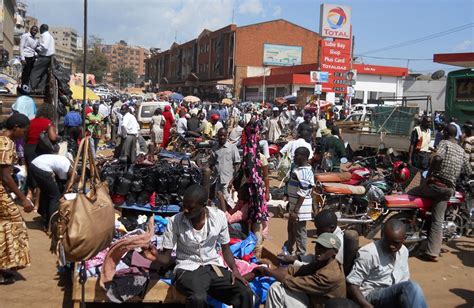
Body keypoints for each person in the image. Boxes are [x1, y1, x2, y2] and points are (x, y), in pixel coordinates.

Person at [146, 184, 253, 308]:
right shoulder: (174, 222)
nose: (185, 210)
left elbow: (225, 248)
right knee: (198, 298)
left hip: (213, 266)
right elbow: (165, 258)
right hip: (187, 269)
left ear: (204, 205)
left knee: (244, 292)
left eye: (190, 208)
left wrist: (235, 270)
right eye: (183, 206)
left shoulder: (218, 217)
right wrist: (154, 255)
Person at [408, 124, 472, 261]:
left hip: (436, 185)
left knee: (412, 192)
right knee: (438, 220)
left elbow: (437, 158)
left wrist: (430, 174)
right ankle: (432, 253)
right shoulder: (461, 150)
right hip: (449, 190)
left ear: (445, 133)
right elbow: (468, 171)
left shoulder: (444, 143)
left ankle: (412, 221)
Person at [347, 219, 427, 308]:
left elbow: (404, 281)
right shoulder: (369, 253)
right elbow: (352, 284)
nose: (391, 246)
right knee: (411, 287)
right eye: (387, 241)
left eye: (396, 243)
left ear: (404, 239)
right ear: (382, 236)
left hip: (392, 294)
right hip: (372, 296)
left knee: (411, 290)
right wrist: (367, 306)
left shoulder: (404, 251)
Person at [255, 233, 346, 308]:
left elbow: (290, 281)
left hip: (319, 304)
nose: (318, 250)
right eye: (318, 246)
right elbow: (295, 270)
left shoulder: (330, 275)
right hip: (314, 300)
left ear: (335, 252)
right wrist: (270, 270)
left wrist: (270, 272)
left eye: (324, 248)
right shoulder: (324, 262)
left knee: (276, 289)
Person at [0, 114, 33, 284]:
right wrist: (23, 198)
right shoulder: (6, 143)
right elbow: (5, 176)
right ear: (16, 128)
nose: (24, 134)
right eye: (24, 130)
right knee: (15, 224)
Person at [279, 209, 344, 266]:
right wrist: (297, 258)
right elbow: (316, 257)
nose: (317, 232)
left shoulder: (336, 244)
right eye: (317, 229)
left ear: (332, 227)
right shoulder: (329, 234)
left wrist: (294, 262)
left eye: (320, 230)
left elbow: (319, 267)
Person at [24, 104, 58, 209]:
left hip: (28, 149)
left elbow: (25, 137)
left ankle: (29, 196)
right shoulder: (48, 123)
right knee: (40, 175)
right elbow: (53, 137)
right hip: (41, 150)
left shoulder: (31, 122)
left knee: (31, 173)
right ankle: (37, 204)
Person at [29, 154, 75, 230]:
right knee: (55, 197)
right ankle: (50, 225)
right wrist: (63, 196)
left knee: (46, 193)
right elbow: (65, 184)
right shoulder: (70, 172)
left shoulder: (68, 162)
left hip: (34, 163)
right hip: (41, 167)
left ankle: (45, 219)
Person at [285, 147, 314, 256]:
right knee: (291, 229)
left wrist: (296, 210)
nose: (294, 157)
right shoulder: (298, 169)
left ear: (303, 157)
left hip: (300, 209)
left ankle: (301, 254)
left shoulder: (304, 172)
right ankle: (289, 249)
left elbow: (303, 192)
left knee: (299, 232)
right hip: (295, 207)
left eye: (296, 155)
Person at [211, 128, 240, 208]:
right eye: (220, 135)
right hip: (217, 179)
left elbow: (237, 165)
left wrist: (232, 180)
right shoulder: (215, 149)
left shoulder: (232, 148)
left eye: (224, 135)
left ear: (227, 136)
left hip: (227, 179)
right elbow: (211, 163)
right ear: (218, 136)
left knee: (228, 199)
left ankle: (231, 216)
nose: (222, 137)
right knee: (218, 200)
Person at [29, 24, 55, 93]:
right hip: (48, 57)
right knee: (44, 74)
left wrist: (37, 49)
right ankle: (40, 89)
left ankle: (31, 88)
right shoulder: (50, 36)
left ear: (43, 29)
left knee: (35, 72)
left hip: (44, 57)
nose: (39, 30)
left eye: (40, 29)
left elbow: (44, 47)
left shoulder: (45, 36)